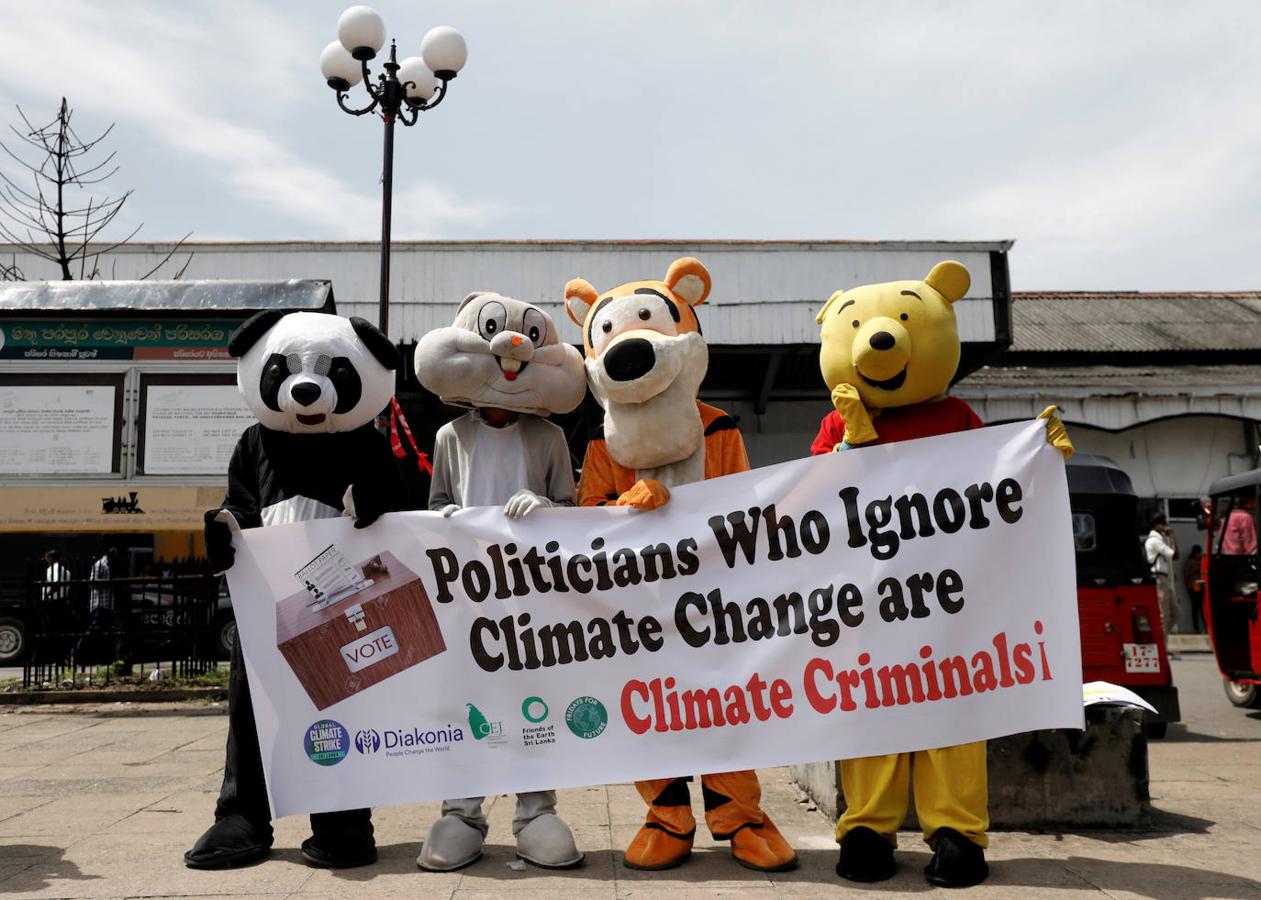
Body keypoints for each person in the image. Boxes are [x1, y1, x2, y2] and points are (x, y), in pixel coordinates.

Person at [413, 292, 586, 871]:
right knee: (468, 700)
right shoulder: (449, 436)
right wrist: (442, 518)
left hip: (533, 597)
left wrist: (543, 504)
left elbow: (571, 505)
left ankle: (536, 809)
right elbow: (438, 501)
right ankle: (461, 811)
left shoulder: (550, 438)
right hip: (467, 597)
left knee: (533, 699)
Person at [1145, 515, 1179, 654]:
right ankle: (1162, 649)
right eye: (1163, 524)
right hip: (1159, 578)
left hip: (1164, 578)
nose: (1165, 527)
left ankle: (1158, 639)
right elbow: (1175, 555)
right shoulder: (1155, 541)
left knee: (1176, 614)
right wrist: (1172, 536)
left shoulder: (1160, 540)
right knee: (1164, 615)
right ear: (1157, 525)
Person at [1183, 545, 1205, 634]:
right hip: (1193, 586)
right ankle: (1196, 627)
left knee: (1202, 607)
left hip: (1201, 586)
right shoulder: (1190, 562)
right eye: (1198, 553)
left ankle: (1206, 627)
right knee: (1196, 607)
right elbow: (1186, 574)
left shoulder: (1201, 561)